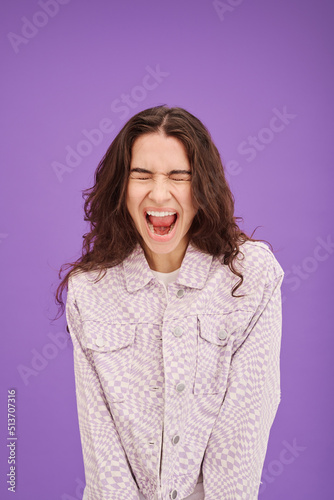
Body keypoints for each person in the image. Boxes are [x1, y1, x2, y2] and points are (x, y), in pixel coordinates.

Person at [56, 105, 284, 500]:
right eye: (141, 175)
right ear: (120, 187)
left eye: (180, 177)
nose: (159, 193)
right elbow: (102, 447)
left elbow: (243, 432)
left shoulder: (252, 276)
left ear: (204, 187)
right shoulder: (90, 290)